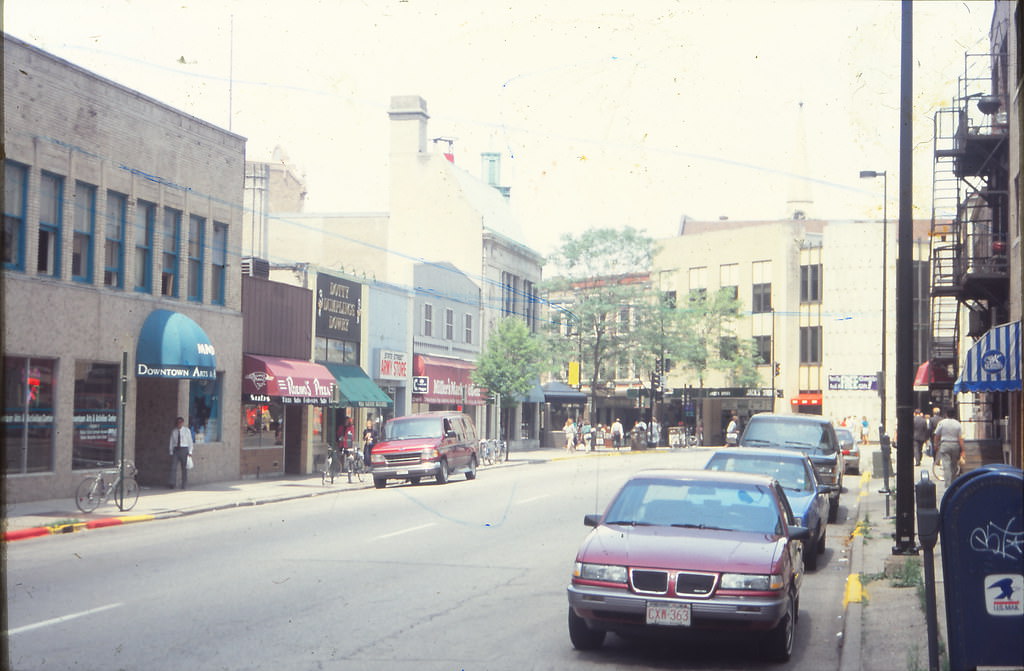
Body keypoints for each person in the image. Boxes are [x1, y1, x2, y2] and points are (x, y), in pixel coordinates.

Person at [932, 408, 965, 484]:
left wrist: (935, 445)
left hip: (945, 444)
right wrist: (963, 450)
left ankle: (948, 483)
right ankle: (953, 482)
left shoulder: (942, 423)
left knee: (946, 465)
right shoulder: (957, 424)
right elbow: (960, 438)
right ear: (954, 415)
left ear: (946, 414)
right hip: (955, 445)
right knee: (954, 465)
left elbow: (937, 435)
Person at [168, 416, 194, 490]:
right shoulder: (174, 431)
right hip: (176, 449)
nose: (179, 424)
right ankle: (172, 483)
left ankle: (184, 484)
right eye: (178, 423)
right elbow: (171, 442)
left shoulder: (186, 431)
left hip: (184, 449)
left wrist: (190, 451)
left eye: (180, 422)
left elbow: (190, 441)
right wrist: (171, 451)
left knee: (184, 468)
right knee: (173, 467)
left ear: (182, 423)